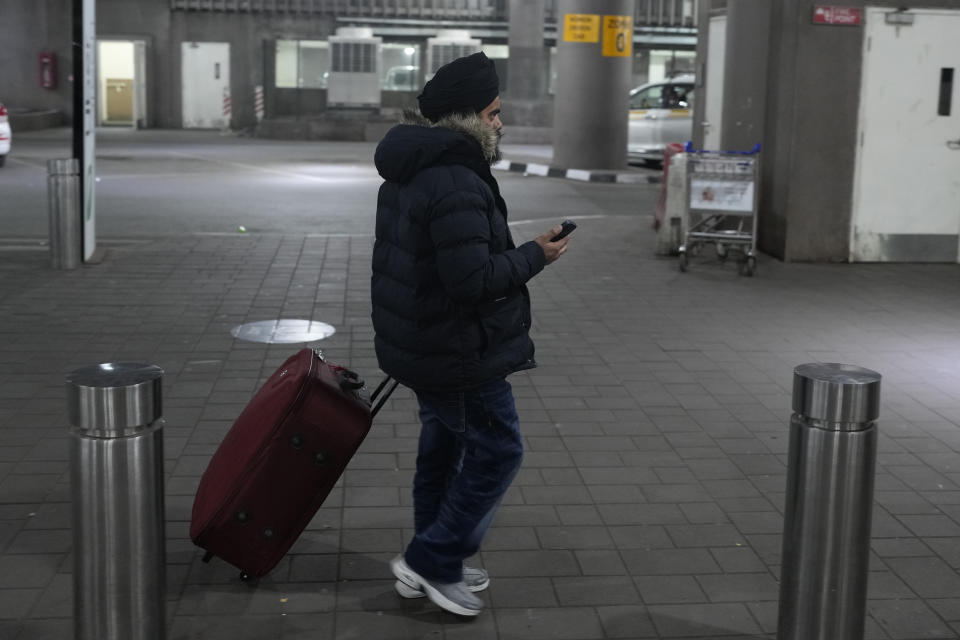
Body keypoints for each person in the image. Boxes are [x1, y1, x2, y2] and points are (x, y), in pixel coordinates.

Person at [370, 52, 570, 617]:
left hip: (422, 343)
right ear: (468, 118)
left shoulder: (412, 165)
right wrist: (537, 255)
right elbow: (472, 281)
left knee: (443, 450)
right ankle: (432, 558)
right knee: (499, 451)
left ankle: (432, 563)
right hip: (458, 349)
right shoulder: (455, 177)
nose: (500, 124)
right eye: (494, 113)